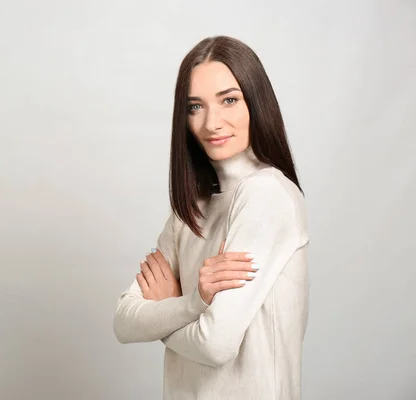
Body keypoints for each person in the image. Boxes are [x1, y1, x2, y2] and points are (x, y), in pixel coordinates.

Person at [112, 35, 309, 400]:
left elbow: (216, 344)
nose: (212, 122)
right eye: (195, 106)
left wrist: (163, 315)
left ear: (256, 102)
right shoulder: (191, 210)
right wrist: (192, 304)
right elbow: (124, 321)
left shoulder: (266, 194)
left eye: (229, 100)